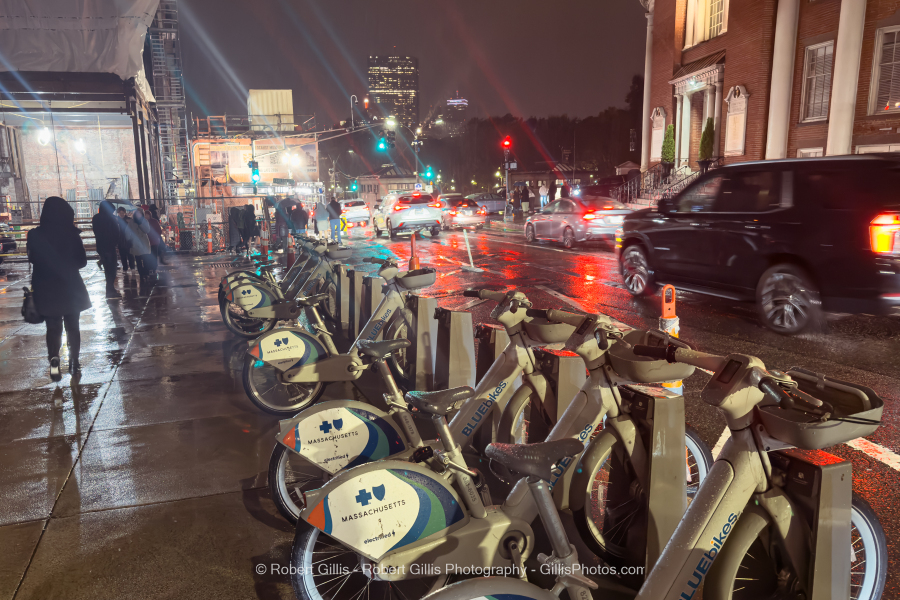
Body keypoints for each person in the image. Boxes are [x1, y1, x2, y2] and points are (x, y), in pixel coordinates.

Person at [27, 196, 92, 380]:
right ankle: (74, 361)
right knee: (73, 327)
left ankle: (54, 360)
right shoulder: (71, 234)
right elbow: (82, 261)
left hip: (46, 289)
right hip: (70, 288)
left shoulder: (34, 235)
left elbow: (32, 259)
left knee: (53, 327)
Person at [92, 201, 122, 298]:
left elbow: (96, 231)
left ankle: (109, 290)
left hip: (100, 246)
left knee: (107, 269)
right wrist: (115, 243)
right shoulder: (111, 219)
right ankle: (110, 290)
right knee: (112, 270)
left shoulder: (96, 218)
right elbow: (116, 233)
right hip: (110, 246)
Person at [126, 208, 153, 279]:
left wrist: (140, 224)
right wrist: (128, 239)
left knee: (146, 260)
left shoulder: (144, 221)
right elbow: (127, 231)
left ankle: (146, 273)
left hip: (144, 242)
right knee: (138, 260)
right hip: (135, 243)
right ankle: (141, 274)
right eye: (137, 213)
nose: (138, 215)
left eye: (140, 213)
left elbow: (147, 230)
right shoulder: (131, 222)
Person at [142, 205, 164, 269]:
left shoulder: (154, 221)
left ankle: (154, 267)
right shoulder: (143, 222)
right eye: (145, 215)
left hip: (154, 242)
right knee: (148, 255)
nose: (146, 216)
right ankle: (149, 267)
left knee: (154, 254)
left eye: (147, 215)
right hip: (146, 242)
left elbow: (159, 230)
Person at [116, 207, 136, 272]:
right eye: (120, 213)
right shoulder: (116, 220)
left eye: (122, 213)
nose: (121, 214)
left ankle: (132, 267)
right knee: (122, 255)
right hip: (120, 239)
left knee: (130, 254)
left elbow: (133, 228)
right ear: (118, 213)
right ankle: (125, 268)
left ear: (125, 213)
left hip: (129, 239)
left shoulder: (129, 220)